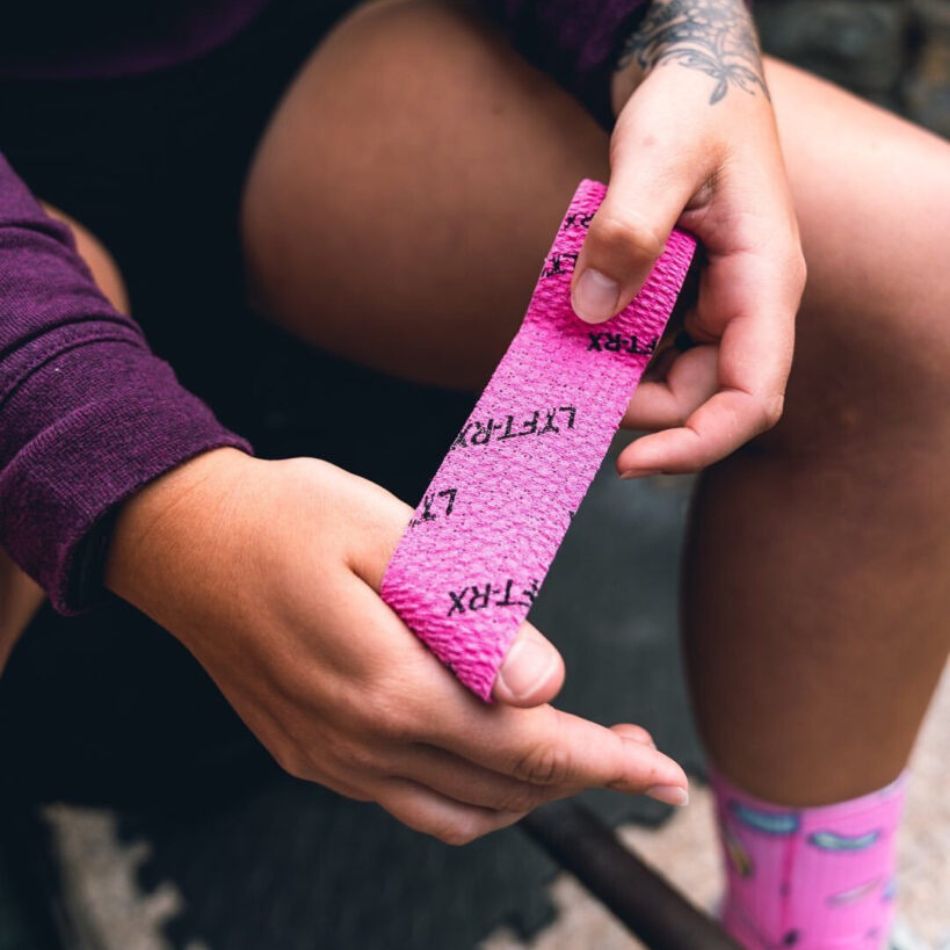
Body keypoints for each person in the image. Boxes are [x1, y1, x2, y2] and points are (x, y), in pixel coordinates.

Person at [0, 0, 946, 946]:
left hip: (291, 58)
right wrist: (155, 494)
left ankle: (804, 927)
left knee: (924, 279)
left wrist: (679, 41)